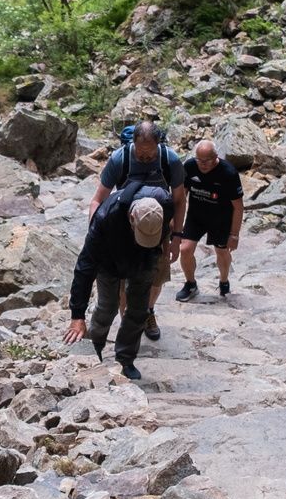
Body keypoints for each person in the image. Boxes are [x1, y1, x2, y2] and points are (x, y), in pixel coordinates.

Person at [63, 186, 173, 381]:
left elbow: (169, 229)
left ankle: (126, 359)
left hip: (145, 259)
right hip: (109, 262)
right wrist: (77, 315)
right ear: (132, 219)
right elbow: (85, 267)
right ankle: (94, 350)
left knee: (139, 311)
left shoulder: (163, 203)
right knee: (107, 306)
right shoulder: (105, 217)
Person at [91, 121, 186, 340]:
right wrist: (95, 233)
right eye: (140, 152)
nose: (144, 157)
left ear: (158, 144)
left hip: (161, 228)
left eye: (150, 153)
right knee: (125, 283)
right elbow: (98, 200)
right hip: (125, 229)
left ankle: (148, 311)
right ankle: (130, 323)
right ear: (133, 143)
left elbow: (180, 200)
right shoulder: (120, 159)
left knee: (157, 277)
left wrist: (177, 237)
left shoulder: (169, 159)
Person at [175, 139, 243, 301]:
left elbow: (238, 207)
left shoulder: (228, 173)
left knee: (221, 251)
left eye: (207, 161)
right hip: (196, 216)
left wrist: (234, 235)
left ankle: (224, 281)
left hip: (221, 218)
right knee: (185, 250)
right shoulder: (190, 167)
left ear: (216, 157)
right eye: (199, 160)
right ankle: (190, 284)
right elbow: (181, 196)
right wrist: (175, 223)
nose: (202, 164)